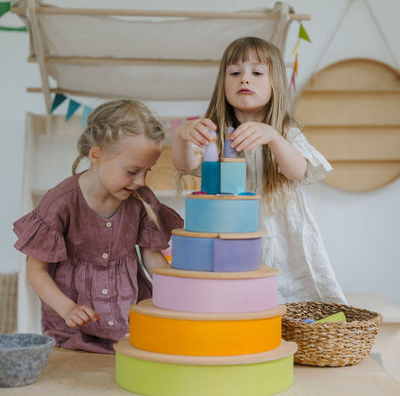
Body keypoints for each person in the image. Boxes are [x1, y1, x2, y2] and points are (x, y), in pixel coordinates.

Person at [172, 37, 347, 305]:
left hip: (281, 235)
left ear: (275, 83)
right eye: (235, 72)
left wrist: (273, 137)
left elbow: (298, 171)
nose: (244, 78)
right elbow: (185, 165)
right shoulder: (215, 134)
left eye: (256, 73)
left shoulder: (287, 133)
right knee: (234, 299)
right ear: (223, 83)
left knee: (289, 299)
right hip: (229, 232)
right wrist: (182, 136)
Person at [13, 99, 183, 353]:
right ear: (96, 155)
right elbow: (35, 272)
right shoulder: (60, 202)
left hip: (129, 323)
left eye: (147, 171)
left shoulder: (141, 199)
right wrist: (68, 309)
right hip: (72, 330)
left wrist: (180, 292)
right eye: (132, 171)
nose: (141, 181)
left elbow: (153, 259)